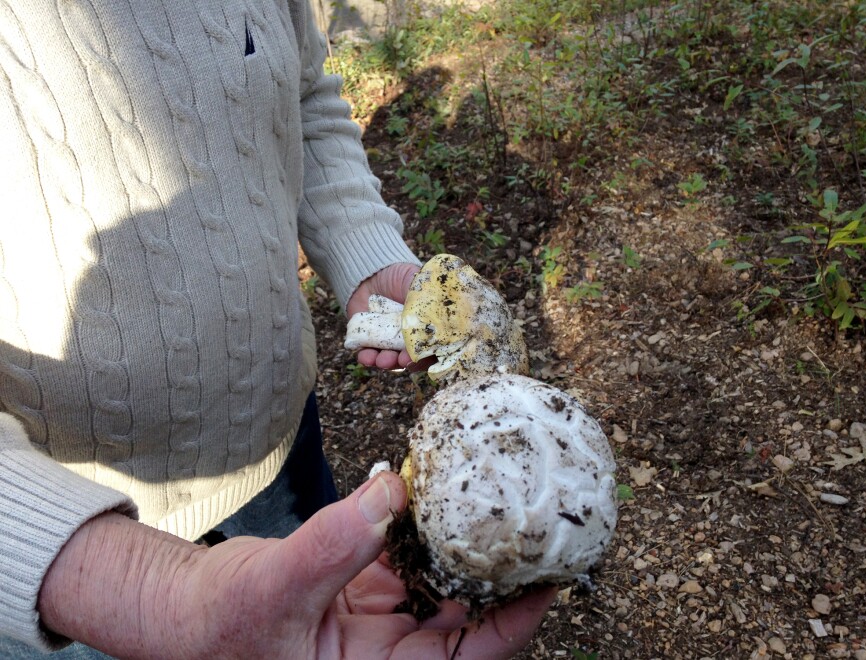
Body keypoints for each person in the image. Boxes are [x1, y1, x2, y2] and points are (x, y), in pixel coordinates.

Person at [0, 2, 554, 658]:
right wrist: (150, 592)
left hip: (279, 439)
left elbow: (302, 94)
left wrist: (363, 252)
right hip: (68, 562)